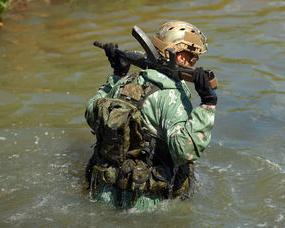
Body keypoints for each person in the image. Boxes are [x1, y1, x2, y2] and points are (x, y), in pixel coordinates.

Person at [84, 20, 217, 210]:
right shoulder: (172, 96)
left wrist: (117, 75)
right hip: (148, 205)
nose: (195, 61)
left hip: (103, 193)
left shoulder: (125, 83)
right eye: (193, 56)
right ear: (180, 57)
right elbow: (184, 151)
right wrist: (207, 105)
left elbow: (91, 113)